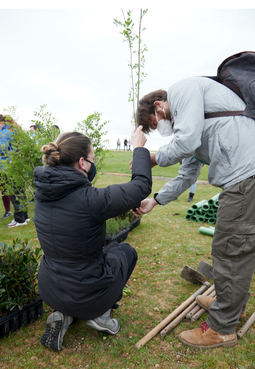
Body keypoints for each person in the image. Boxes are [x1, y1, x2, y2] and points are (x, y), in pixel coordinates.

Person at [135, 76, 255, 349]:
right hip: (243, 177)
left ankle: (221, 328)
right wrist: (155, 200)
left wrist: (152, 158)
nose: (162, 128)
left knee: (230, 250)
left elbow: (185, 142)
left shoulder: (183, 89)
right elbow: (185, 175)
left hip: (245, 177)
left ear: (159, 106)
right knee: (234, 247)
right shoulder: (195, 121)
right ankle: (230, 303)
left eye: (156, 123)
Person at [33, 126, 151, 351]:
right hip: (89, 294)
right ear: (82, 163)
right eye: (92, 159)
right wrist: (138, 148)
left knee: (106, 248)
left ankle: (64, 314)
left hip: (50, 289)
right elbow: (141, 186)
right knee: (125, 252)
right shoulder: (91, 201)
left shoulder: (41, 196)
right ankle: (100, 314)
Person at [0, 115, 29, 227]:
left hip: (8, 166)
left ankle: (19, 219)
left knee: (14, 193)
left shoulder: (5, 132)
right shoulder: (12, 130)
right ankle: (24, 217)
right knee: (20, 192)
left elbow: (3, 148)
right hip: (15, 165)